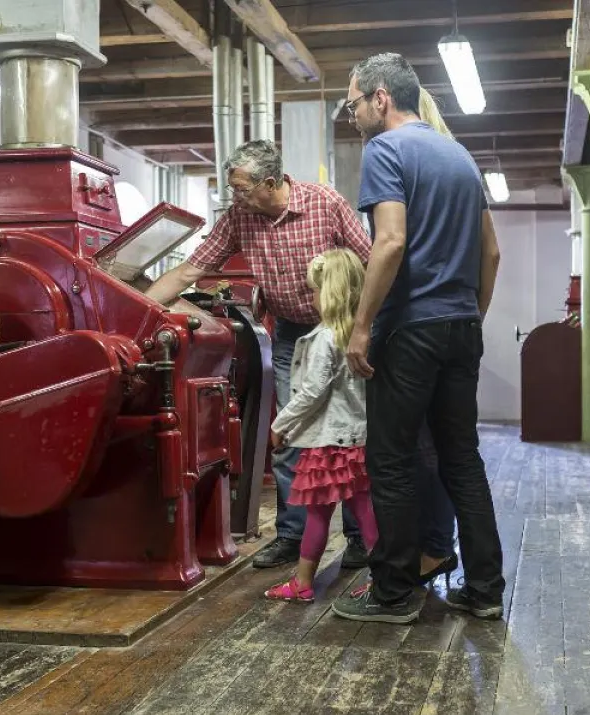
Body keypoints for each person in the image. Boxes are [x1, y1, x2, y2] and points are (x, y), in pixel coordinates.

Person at [331, 53, 505, 625]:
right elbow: (492, 252)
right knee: (461, 457)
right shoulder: (459, 155)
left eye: (353, 103)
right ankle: (483, 587)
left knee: (391, 460)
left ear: (381, 97)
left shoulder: (386, 150)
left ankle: (394, 591)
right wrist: (468, 316)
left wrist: (360, 327)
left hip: (410, 330)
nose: (352, 115)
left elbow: (390, 242)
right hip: (461, 327)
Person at [143, 140, 372, 572]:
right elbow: (191, 270)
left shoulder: (326, 203)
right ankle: (292, 536)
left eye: (243, 189)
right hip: (288, 334)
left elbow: (370, 260)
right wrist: (139, 310)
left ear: (271, 182)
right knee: (289, 436)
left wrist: (364, 327)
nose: (236, 198)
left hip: (340, 332)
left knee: (347, 435)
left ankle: (360, 540)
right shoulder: (239, 218)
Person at [263, 249, 380, 601]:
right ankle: (377, 577)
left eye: (314, 290)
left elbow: (312, 390)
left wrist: (281, 423)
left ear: (328, 293)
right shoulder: (361, 336)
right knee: (362, 509)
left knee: (325, 512)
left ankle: (308, 582)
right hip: (357, 437)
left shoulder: (325, 338)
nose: (310, 297)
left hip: (331, 441)